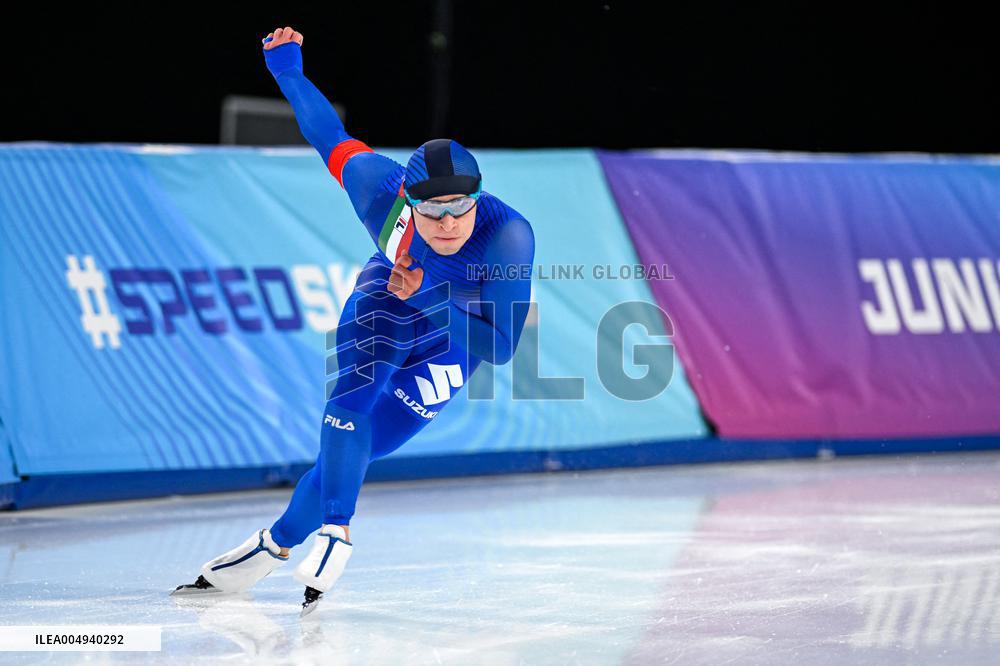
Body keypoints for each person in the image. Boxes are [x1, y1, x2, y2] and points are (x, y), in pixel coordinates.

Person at [173, 26, 535, 615]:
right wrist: (287, 71)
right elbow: (327, 135)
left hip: (460, 327)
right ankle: (336, 528)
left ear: (478, 196)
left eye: (460, 206)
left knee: (369, 448)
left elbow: (500, 349)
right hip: (387, 298)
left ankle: (271, 545)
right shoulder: (378, 190)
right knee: (351, 404)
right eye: (432, 209)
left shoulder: (507, 237)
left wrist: (432, 298)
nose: (447, 223)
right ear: (407, 199)